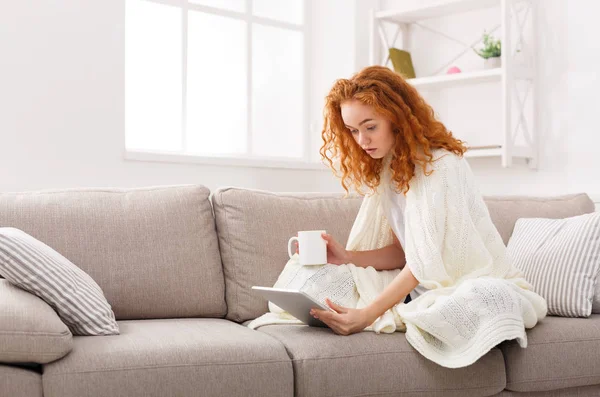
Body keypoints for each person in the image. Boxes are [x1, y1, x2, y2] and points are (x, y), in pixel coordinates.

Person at [304, 65, 545, 341]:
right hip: (414, 290)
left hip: (458, 287)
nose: (362, 141)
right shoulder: (388, 170)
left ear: (396, 118)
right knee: (314, 275)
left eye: (370, 127)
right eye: (352, 130)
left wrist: (367, 315)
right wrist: (347, 258)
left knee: (488, 298)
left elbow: (423, 263)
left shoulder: (441, 166)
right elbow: (402, 252)